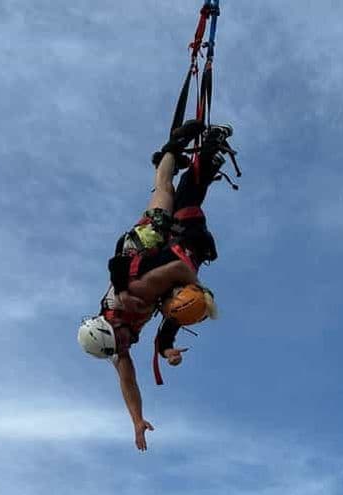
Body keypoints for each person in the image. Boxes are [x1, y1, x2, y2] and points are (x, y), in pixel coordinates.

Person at [77, 119, 235, 451]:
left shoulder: (135, 294)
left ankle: (172, 148)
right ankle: (187, 160)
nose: (125, 346)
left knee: (165, 194)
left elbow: (177, 267)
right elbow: (128, 382)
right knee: (183, 212)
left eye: (120, 341)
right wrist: (136, 419)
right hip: (147, 263)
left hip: (144, 245)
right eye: (120, 347)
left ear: (107, 325)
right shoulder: (116, 345)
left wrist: (200, 291)